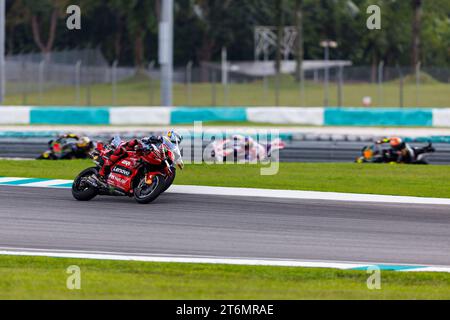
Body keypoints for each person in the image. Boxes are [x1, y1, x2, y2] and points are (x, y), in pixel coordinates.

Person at [98, 131, 183, 180]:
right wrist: (152, 140)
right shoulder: (164, 139)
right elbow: (152, 138)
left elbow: (178, 159)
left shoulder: (173, 148)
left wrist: (179, 163)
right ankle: (103, 170)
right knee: (127, 146)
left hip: (151, 157)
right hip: (141, 148)